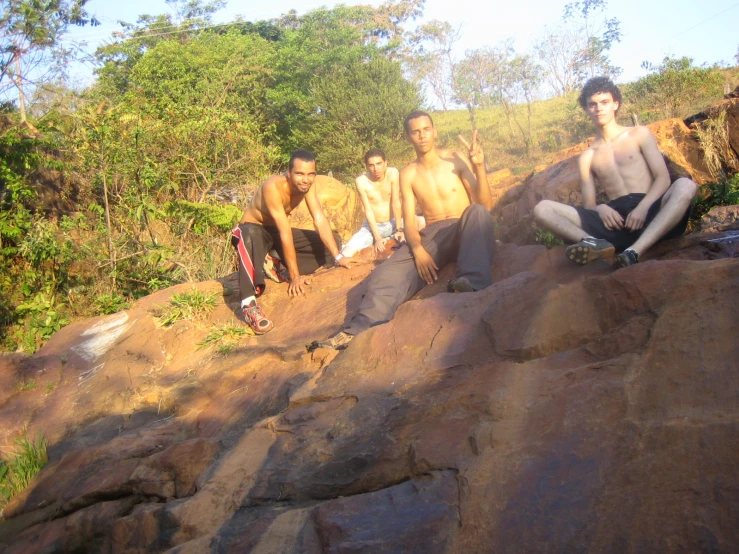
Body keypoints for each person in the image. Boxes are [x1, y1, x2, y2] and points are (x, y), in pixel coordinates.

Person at [312, 111, 496, 350]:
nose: (422, 136)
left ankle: (472, 285)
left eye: (426, 129)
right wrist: (418, 249)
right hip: (434, 233)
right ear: (409, 137)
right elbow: (408, 221)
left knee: (478, 213)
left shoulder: (455, 158)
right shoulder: (408, 173)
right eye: (416, 132)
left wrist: (479, 166)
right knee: (384, 274)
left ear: (435, 130)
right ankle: (359, 330)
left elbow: (485, 205)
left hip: (465, 224)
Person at [533, 76, 697, 268]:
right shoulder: (588, 156)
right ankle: (596, 244)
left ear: (615, 104)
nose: (599, 108)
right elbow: (589, 204)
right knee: (542, 208)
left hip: (651, 212)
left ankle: (634, 252)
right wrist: (601, 208)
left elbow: (663, 178)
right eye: (592, 104)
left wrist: (643, 208)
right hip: (616, 222)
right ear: (586, 109)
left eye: (604, 102)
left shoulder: (638, 134)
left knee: (686, 185)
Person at [231, 149, 356, 334]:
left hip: (277, 233)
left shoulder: (308, 186)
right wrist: (295, 276)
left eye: (310, 174)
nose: (305, 179)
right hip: (255, 229)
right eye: (299, 174)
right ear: (288, 173)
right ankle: (249, 305)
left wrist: (339, 256)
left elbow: (319, 219)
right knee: (248, 234)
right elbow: (284, 230)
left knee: (331, 244)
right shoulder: (273, 186)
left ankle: (275, 264)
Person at [336, 148, 404, 260]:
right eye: (371, 165)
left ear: (385, 163)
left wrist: (399, 229)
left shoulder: (393, 173)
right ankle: (381, 238)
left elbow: (396, 202)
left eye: (379, 164)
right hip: (373, 226)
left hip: (394, 221)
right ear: (367, 166)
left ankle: (391, 236)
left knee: (421, 223)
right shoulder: (361, 181)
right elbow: (367, 210)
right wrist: (377, 237)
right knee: (346, 253)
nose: (376, 169)